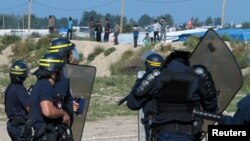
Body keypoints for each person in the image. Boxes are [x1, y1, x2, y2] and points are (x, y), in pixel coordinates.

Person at [126, 50, 219, 141]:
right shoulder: (197, 77)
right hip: (189, 134)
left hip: (162, 134)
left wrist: (140, 84)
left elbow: (133, 104)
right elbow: (211, 108)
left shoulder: (157, 76)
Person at [30, 53, 71, 140]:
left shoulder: (41, 84)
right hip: (45, 135)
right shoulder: (46, 86)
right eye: (60, 70)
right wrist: (63, 113)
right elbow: (48, 111)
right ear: (54, 72)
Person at [4, 60, 30, 141]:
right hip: (20, 126)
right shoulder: (20, 90)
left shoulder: (10, 87)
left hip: (12, 125)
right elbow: (30, 108)